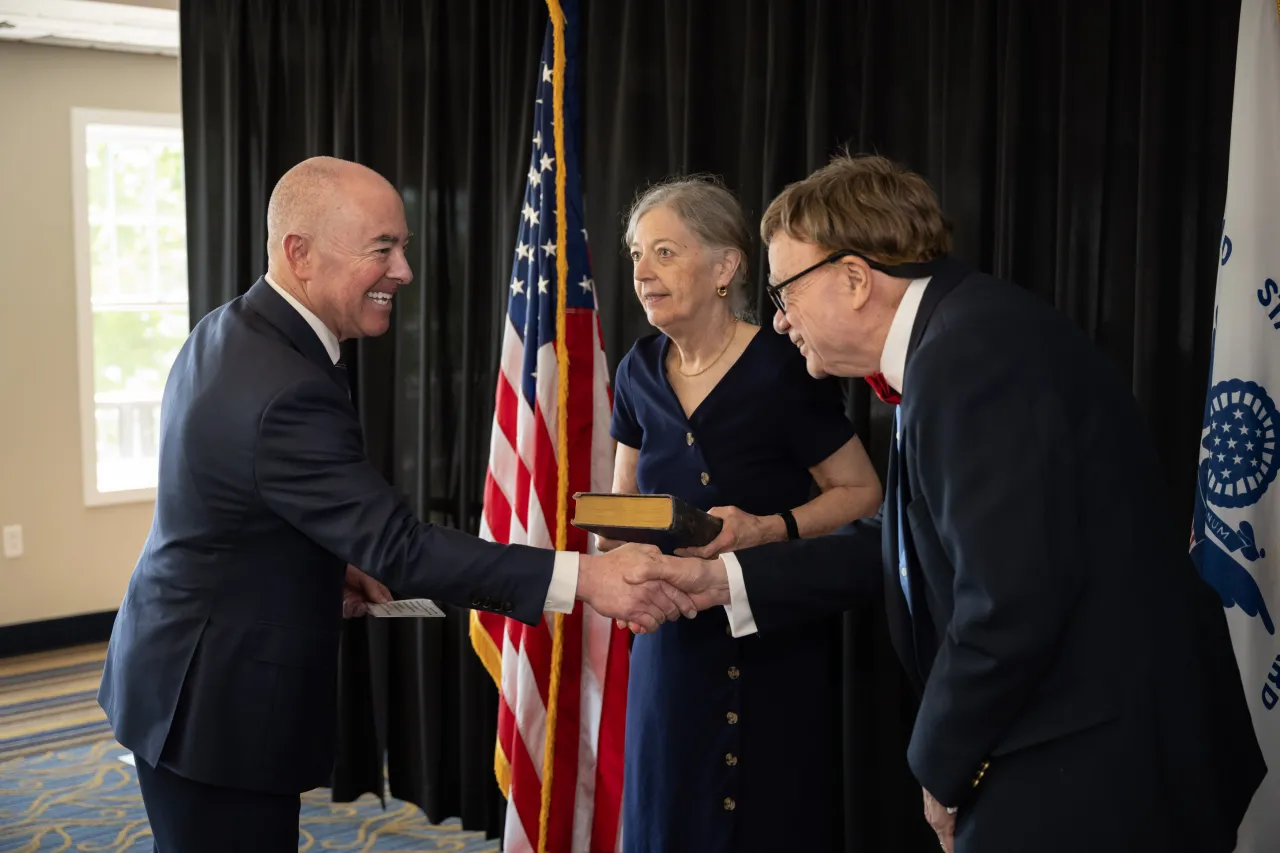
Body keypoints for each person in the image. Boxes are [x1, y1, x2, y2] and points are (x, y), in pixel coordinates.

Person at [630, 154, 1267, 852]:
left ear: (853, 278)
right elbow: (902, 538)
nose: (781, 322)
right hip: (1084, 741)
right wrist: (726, 578)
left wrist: (940, 764)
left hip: (1095, 761)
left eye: (786, 293)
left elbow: (1008, 602)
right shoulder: (959, 335)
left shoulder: (968, 356)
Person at [96, 156, 694, 852]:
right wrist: (587, 578)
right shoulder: (284, 382)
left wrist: (316, 564)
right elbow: (400, 546)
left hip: (179, 672)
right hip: (210, 707)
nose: (404, 271)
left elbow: (239, 506)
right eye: (383, 248)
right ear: (300, 254)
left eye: (403, 246)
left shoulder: (233, 328)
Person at [602, 176, 882, 853]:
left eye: (665, 251)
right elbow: (622, 510)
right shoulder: (638, 369)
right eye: (638, 253)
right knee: (667, 815)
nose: (643, 271)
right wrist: (617, 558)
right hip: (669, 641)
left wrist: (766, 529)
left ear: (725, 265)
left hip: (769, 641)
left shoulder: (785, 365)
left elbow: (861, 491)